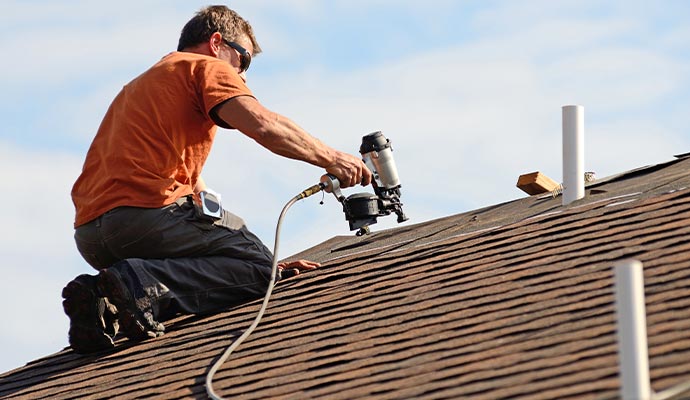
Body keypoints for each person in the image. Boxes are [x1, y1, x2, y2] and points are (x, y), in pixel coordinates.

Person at [62, 5, 372, 354]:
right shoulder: (205, 67)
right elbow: (263, 125)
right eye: (244, 61)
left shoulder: (141, 86)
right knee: (259, 270)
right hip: (145, 217)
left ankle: (105, 303)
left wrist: (255, 259)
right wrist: (333, 158)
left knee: (248, 258)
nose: (243, 75)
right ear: (216, 42)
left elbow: (195, 195)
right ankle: (139, 283)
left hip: (91, 235)